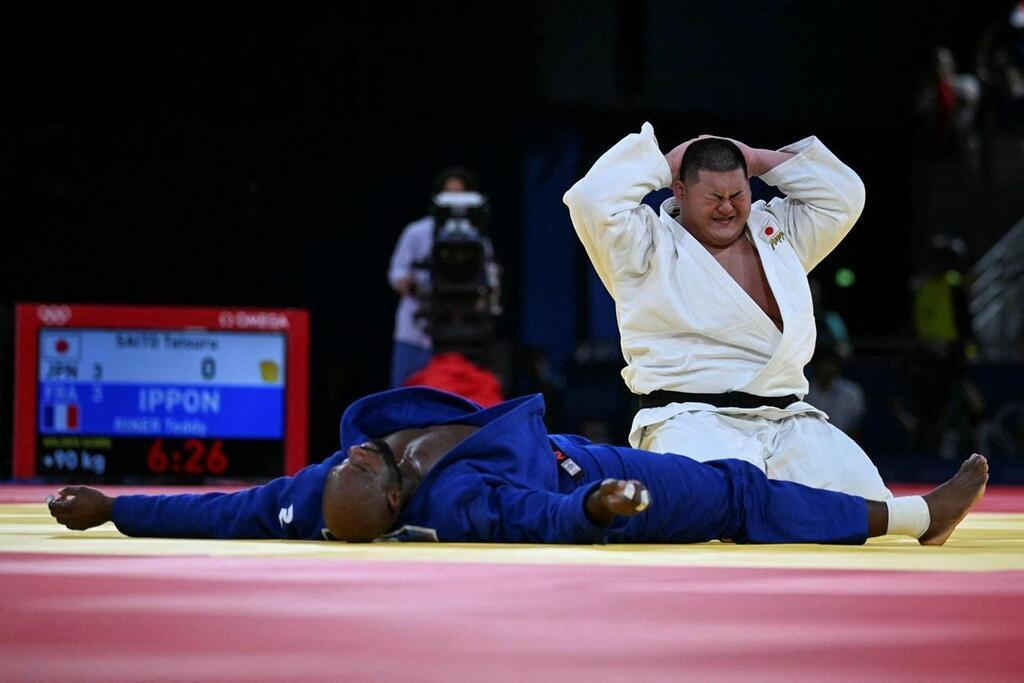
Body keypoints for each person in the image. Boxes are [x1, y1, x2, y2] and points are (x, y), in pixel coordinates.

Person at [49, 388, 987, 547]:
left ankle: (904, 514)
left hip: (569, 450)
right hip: (587, 479)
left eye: (371, 482)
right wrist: (603, 511)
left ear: (367, 464)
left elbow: (224, 509)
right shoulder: (453, 503)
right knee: (735, 494)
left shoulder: (340, 463)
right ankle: (913, 518)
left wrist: (114, 505)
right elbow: (534, 522)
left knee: (741, 490)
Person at [564, 124, 890, 500]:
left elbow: (845, 197)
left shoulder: (777, 231)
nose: (727, 207)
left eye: (738, 194)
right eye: (713, 196)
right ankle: (923, 514)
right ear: (680, 191)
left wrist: (752, 157)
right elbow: (591, 200)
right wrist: (671, 161)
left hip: (787, 421)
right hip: (690, 421)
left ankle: (920, 516)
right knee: (717, 505)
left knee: (867, 499)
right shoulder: (644, 245)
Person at [387, 167, 497, 388]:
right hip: (416, 332)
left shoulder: (478, 241)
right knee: (403, 395)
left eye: (460, 195)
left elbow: (490, 282)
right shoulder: (417, 232)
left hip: (460, 334)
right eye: (449, 194)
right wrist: (413, 286)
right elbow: (396, 273)